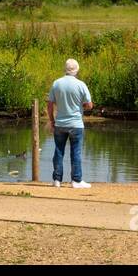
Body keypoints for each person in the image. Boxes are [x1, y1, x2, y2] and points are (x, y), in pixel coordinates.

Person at [47, 58, 93, 189]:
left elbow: (49, 105)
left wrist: (52, 120)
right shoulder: (81, 84)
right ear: (77, 70)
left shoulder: (56, 83)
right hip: (76, 124)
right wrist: (81, 105)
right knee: (76, 152)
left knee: (58, 151)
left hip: (60, 123)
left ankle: (56, 180)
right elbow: (89, 105)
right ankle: (76, 180)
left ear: (65, 69)